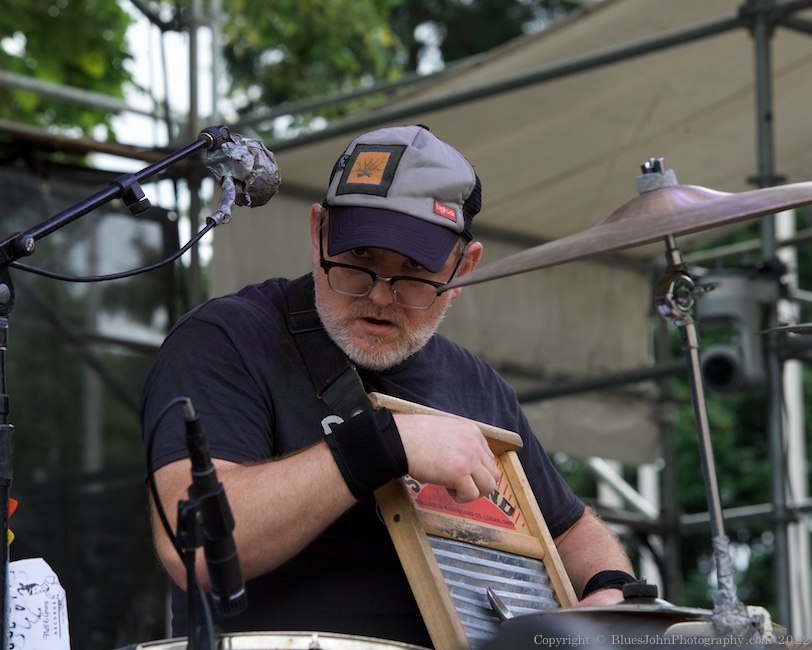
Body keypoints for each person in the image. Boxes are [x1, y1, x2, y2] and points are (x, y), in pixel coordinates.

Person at [140, 124, 636, 648]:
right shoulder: (228, 340)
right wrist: (385, 445)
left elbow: (571, 529)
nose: (379, 295)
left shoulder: (478, 387)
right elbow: (191, 546)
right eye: (359, 261)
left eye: (414, 271)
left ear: (464, 268)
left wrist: (612, 591)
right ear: (319, 235)